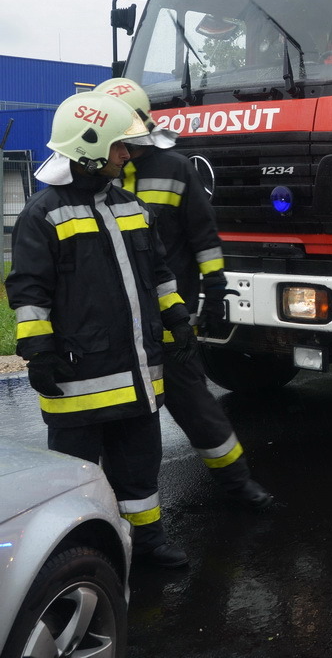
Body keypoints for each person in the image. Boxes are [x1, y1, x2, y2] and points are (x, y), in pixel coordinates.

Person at [6, 92, 196, 567]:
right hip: (78, 380)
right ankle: (83, 558)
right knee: (75, 478)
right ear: (90, 148)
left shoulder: (130, 205)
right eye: (119, 147)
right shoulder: (43, 214)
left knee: (139, 470)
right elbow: (28, 293)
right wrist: (38, 352)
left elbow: (159, 274)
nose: (127, 155)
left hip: (137, 376)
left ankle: (148, 545)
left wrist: (175, 316)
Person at [96, 77, 273, 509]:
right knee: (121, 419)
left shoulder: (175, 168)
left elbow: (203, 236)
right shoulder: (94, 177)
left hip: (169, 315)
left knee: (194, 403)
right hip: (114, 323)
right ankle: (117, 506)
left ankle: (238, 484)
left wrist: (214, 291)